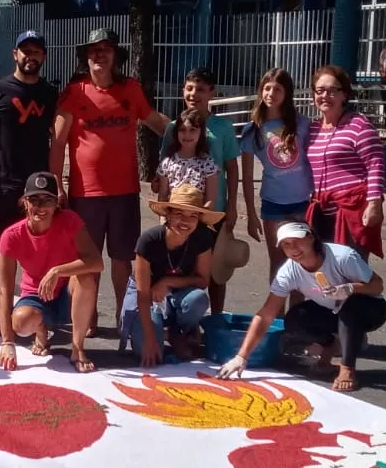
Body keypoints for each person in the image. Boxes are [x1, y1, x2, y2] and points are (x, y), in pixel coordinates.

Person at [50, 27, 170, 336]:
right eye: (93, 50)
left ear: (116, 55)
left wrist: (191, 143)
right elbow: (58, 142)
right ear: (85, 57)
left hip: (124, 193)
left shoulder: (130, 89)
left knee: (121, 260)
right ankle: (85, 317)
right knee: (86, 260)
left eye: (106, 48)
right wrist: (57, 185)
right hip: (85, 194)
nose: (99, 54)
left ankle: (122, 318)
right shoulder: (74, 92)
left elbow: (160, 125)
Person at [217, 222, 386, 393]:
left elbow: (378, 285)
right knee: (295, 319)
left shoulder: (342, 257)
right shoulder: (288, 272)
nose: (293, 249)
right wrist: (241, 357)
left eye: (297, 241)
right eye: (286, 244)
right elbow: (266, 314)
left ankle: (347, 369)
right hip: (332, 311)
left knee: (350, 306)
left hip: (370, 310)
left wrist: (350, 289)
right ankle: (331, 345)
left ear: (311, 237)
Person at [0, 171, 102, 373]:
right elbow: (4, 289)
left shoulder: (70, 221)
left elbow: (96, 262)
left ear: (57, 203)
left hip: (66, 292)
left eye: (47, 200)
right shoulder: (11, 236)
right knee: (20, 321)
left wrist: (57, 271)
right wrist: (7, 342)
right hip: (35, 296)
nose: (41, 207)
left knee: (86, 277)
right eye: (34, 200)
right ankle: (41, 331)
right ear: (24, 202)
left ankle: (77, 348)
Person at [159, 67, 243, 314]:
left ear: (211, 93)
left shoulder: (223, 128)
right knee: (178, 267)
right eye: (189, 88)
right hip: (178, 212)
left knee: (216, 270)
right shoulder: (174, 127)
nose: (194, 94)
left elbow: (232, 168)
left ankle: (216, 319)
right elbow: (165, 166)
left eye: (201, 89)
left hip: (212, 212)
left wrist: (231, 206)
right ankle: (179, 320)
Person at [0, 30, 56, 244]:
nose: (30, 56)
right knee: (4, 251)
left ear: (44, 56)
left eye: (36, 52)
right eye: (25, 51)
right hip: (5, 187)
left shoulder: (50, 94)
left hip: (40, 187)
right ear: (14, 54)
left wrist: (60, 180)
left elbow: (60, 138)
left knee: (40, 248)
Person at [123, 185, 218, 367]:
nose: (185, 221)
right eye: (179, 214)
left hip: (176, 293)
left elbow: (203, 280)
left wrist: (167, 281)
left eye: (193, 216)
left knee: (198, 299)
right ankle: (166, 334)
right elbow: (142, 296)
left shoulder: (203, 237)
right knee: (147, 350)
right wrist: (150, 340)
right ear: (168, 214)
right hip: (145, 297)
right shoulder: (149, 240)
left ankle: (177, 331)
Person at [304, 65, 384, 260]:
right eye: (320, 90)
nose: (325, 96)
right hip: (320, 214)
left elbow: (375, 163)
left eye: (332, 91)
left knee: (350, 270)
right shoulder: (312, 129)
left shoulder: (358, 125)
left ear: (344, 95)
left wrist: (374, 203)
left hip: (351, 212)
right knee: (322, 271)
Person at [239, 67, 310, 280]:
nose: (271, 94)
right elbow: (248, 177)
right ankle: (278, 313)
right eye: (267, 88)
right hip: (273, 205)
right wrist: (251, 215)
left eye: (278, 89)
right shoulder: (252, 131)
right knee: (279, 264)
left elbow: (316, 162)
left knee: (302, 264)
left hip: (303, 203)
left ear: (287, 93)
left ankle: (297, 314)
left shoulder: (302, 124)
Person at [153, 108, 219, 205]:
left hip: (197, 217)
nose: (187, 135)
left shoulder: (208, 164)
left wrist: (202, 217)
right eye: (182, 130)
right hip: (172, 217)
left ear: (201, 132)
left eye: (192, 130)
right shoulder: (167, 163)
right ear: (176, 132)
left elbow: (210, 200)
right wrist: (163, 219)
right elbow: (162, 197)